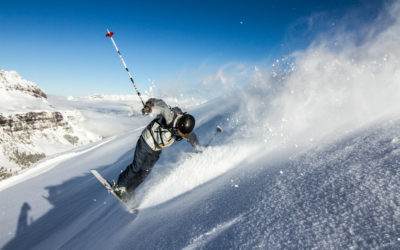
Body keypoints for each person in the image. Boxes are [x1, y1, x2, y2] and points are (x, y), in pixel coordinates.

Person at [113, 98, 202, 200]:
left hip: (156, 149)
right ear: (179, 124)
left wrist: (198, 149)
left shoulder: (184, 128)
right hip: (146, 141)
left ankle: (129, 190)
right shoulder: (170, 117)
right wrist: (149, 106)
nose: (181, 135)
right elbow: (162, 104)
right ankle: (119, 186)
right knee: (136, 166)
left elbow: (192, 137)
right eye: (181, 133)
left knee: (145, 171)